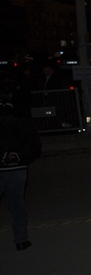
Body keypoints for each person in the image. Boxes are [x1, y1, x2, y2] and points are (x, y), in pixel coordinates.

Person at [1, 92, 40, 252]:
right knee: (17, 205)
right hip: (17, 169)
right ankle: (22, 240)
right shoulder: (23, 121)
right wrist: (19, 156)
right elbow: (35, 146)